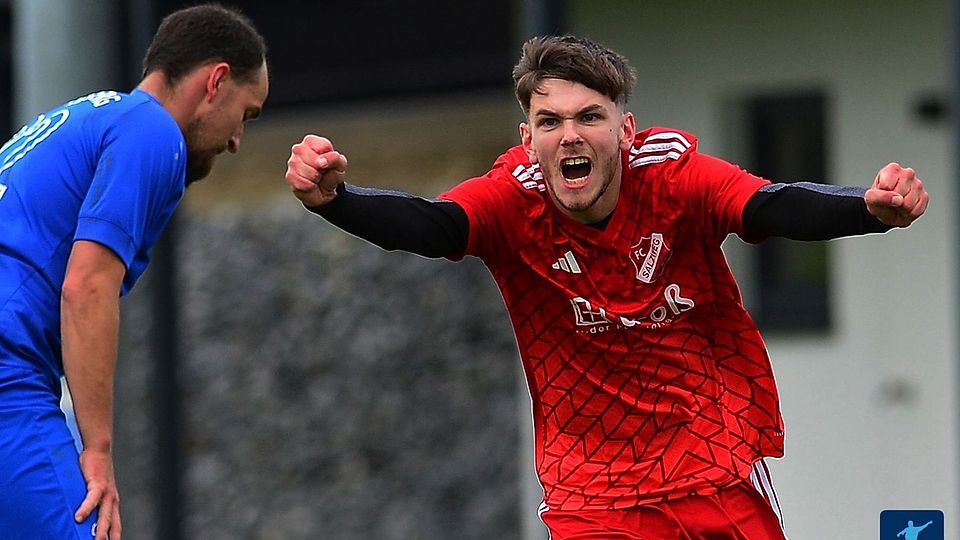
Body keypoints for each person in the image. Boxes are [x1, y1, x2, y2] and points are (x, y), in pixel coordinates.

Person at [284, 35, 927, 539]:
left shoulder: (676, 180)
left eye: (589, 116)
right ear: (528, 139)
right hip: (592, 490)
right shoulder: (511, 202)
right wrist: (337, 200)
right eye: (550, 121)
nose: (570, 135)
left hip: (708, 460)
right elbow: (432, 225)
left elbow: (770, 204)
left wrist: (867, 209)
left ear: (624, 130)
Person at [0, 4, 268, 539]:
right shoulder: (152, 133)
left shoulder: (83, 117)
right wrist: (97, 450)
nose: (238, 140)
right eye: (248, 113)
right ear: (215, 82)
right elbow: (87, 286)